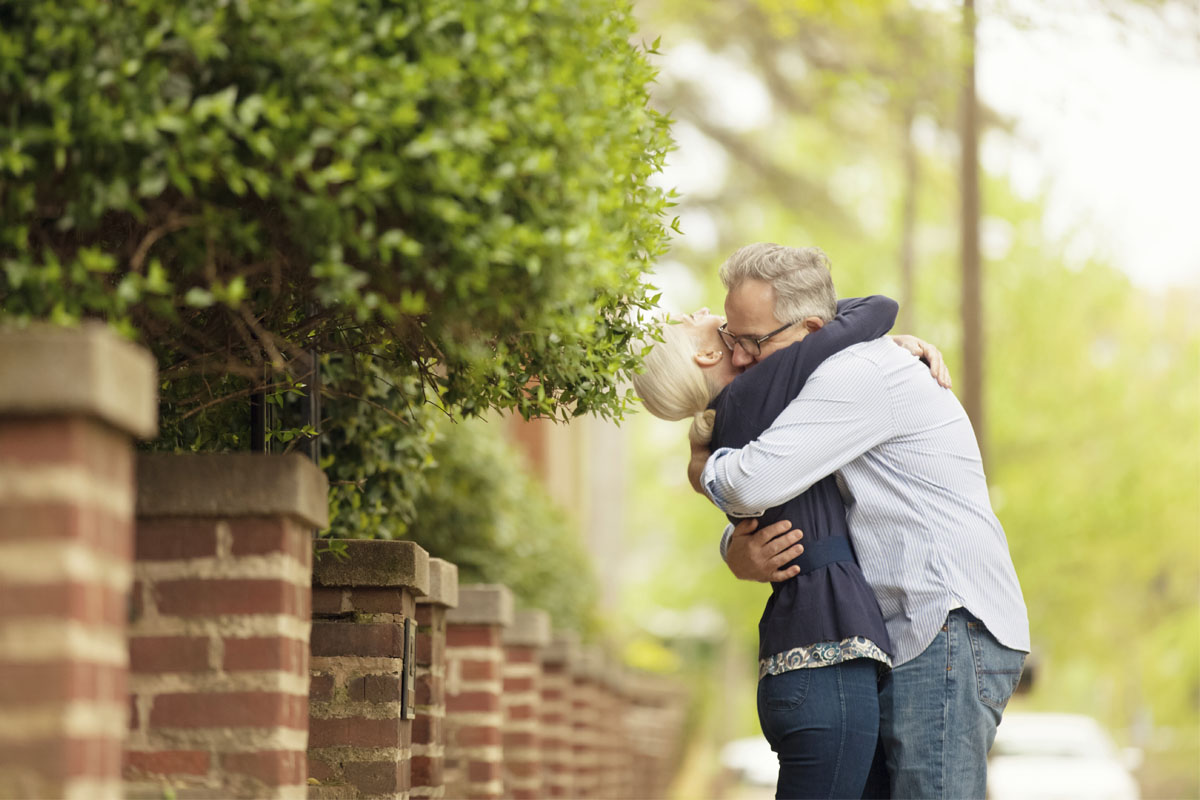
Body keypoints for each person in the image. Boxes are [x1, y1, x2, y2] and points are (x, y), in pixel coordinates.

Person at [692, 243, 1030, 800]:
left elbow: (751, 482)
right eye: (732, 339)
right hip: (923, 627)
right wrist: (736, 547)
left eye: (753, 341)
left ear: (813, 327)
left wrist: (703, 462)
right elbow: (802, 500)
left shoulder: (857, 376)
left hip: (947, 621)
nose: (744, 358)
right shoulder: (839, 369)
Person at [633, 292, 936, 799]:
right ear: (706, 356)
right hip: (826, 662)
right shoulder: (757, 393)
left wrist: (871, 358)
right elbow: (876, 309)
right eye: (686, 325)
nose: (695, 312)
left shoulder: (737, 426)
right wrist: (801, 325)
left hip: (807, 664)